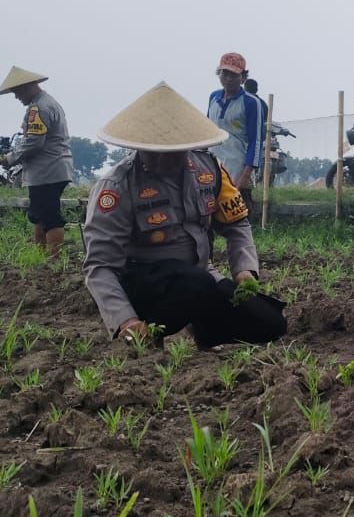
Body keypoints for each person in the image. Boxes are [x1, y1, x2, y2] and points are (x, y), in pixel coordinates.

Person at [83, 81, 286, 349]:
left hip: (200, 275)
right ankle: (147, 334)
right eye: (156, 153)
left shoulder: (210, 170)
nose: (166, 160)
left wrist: (245, 270)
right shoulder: (117, 187)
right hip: (145, 282)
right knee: (195, 283)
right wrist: (125, 320)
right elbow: (100, 266)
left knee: (269, 323)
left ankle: (204, 331)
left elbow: (237, 224)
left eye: (176, 151)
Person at [0, 66, 75, 256]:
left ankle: (53, 261)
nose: (17, 97)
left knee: (49, 217)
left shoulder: (38, 107)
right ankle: (40, 257)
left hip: (47, 171)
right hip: (52, 169)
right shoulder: (48, 103)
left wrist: (10, 158)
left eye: (17, 92)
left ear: (29, 87)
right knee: (38, 215)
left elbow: (34, 142)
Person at [207, 52, 265, 218]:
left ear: (243, 77)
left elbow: (256, 141)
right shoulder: (213, 97)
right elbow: (207, 130)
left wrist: (245, 176)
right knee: (208, 219)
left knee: (237, 221)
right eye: (225, 73)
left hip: (237, 167)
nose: (229, 78)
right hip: (213, 166)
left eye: (234, 74)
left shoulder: (251, 102)